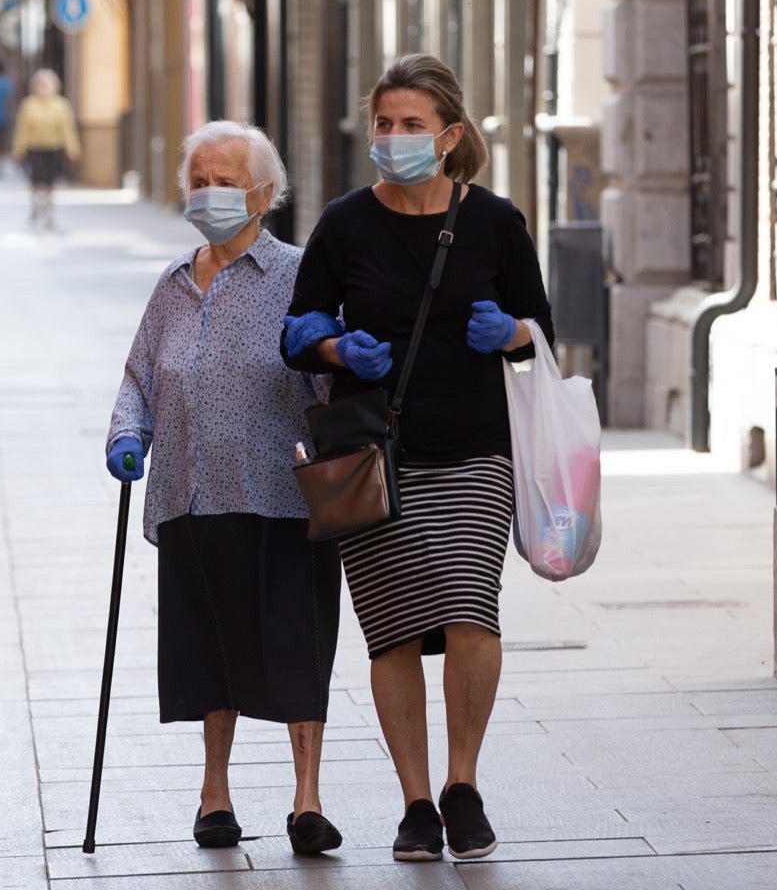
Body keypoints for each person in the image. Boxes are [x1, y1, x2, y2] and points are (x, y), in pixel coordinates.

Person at [280, 54, 553, 863]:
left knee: (472, 610)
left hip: (474, 449)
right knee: (394, 631)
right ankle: (416, 803)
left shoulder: (496, 222)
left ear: (450, 136)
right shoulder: (343, 224)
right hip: (374, 458)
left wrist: (506, 332)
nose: (394, 138)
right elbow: (296, 330)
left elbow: (542, 329)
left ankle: (463, 786)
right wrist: (333, 345)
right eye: (385, 125)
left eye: (411, 126)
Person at [106, 121, 343, 856]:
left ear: (264, 193)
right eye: (198, 179)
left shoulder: (300, 278)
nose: (208, 192)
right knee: (209, 649)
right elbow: (140, 377)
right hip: (190, 495)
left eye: (224, 179)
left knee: (296, 645)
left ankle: (307, 801)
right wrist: (125, 435)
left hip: (282, 496)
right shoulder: (173, 284)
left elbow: (334, 381)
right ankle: (215, 794)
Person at [10, 69, 80, 230]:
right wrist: (18, 150)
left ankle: (48, 211)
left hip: (53, 148)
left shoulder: (60, 105)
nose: (44, 86)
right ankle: (35, 205)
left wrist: (73, 149)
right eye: (41, 83)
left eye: (47, 83)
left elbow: (68, 129)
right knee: (35, 180)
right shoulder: (29, 105)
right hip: (34, 148)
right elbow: (22, 129)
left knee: (49, 182)